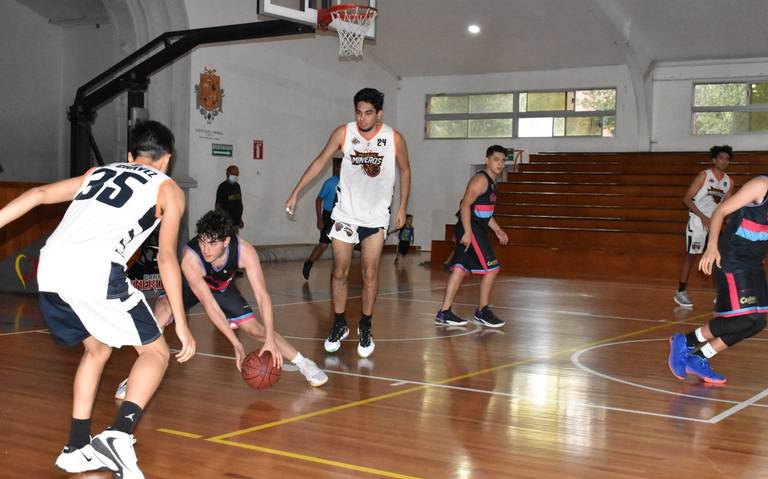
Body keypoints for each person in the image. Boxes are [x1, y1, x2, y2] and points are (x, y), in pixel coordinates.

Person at [0, 121, 196, 478]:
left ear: (129, 155)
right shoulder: (168, 189)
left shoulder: (98, 172)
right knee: (155, 353)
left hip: (51, 269)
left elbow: (39, 195)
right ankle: (119, 434)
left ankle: (76, 447)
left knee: (98, 349)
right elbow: (167, 256)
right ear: (166, 160)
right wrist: (180, 322)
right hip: (96, 270)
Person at [116, 210, 327, 400]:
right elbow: (209, 305)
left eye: (212, 243)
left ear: (227, 241)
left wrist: (270, 338)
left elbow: (262, 297)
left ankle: (305, 364)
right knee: (160, 315)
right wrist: (235, 343)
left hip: (221, 286)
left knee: (257, 331)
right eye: (202, 242)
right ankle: (135, 378)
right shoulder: (191, 259)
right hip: (190, 285)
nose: (206, 249)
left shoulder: (245, 252)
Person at [285, 87, 411, 358]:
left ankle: (365, 324)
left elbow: (405, 169)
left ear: (379, 114)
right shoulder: (344, 133)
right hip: (345, 214)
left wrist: (402, 206)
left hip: (376, 216)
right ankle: (339, 323)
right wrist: (296, 191)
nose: (362, 118)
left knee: (369, 272)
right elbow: (320, 162)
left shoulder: (393, 138)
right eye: (358, 112)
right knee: (339, 271)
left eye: (368, 113)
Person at [668, 175, 768, 384]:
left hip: (754, 262)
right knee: (746, 318)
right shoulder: (761, 186)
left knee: (757, 322)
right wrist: (712, 247)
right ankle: (685, 341)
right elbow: (720, 211)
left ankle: (699, 358)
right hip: (731, 257)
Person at [435, 145, 509, 328]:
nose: (500, 164)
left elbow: (485, 212)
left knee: (459, 269)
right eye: (496, 159)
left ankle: (444, 312)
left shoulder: (492, 182)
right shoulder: (480, 180)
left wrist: (497, 229)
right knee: (492, 269)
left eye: (502, 160)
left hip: (473, 228)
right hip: (472, 229)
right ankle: (483, 311)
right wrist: (468, 232)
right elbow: (465, 206)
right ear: (487, 160)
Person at [674, 145, 733, 307]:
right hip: (697, 221)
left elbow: (726, 206)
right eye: (721, 158)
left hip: (714, 223)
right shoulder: (704, 176)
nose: (724, 161)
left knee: (718, 258)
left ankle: (720, 294)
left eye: (727, 159)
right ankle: (681, 291)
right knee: (691, 255)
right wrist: (704, 218)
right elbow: (686, 199)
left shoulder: (729, 182)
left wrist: (725, 220)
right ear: (714, 160)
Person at [302, 157, 342, 280]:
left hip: (341, 216)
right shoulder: (330, 182)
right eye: (342, 167)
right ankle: (309, 263)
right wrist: (319, 219)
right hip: (328, 215)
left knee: (340, 245)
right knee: (324, 244)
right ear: (337, 168)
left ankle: (337, 272)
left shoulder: (350, 184)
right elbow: (319, 200)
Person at [216, 164, 244, 229]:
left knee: (235, 238)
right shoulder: (222, 187)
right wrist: (221, 221)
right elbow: (218, 205)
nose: (235, 177)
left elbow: (238, 203)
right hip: (226, 222)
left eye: (236, 175)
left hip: (236, 222)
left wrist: (240, 219)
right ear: (227, 174)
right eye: (233, 175)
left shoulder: (237, 186)